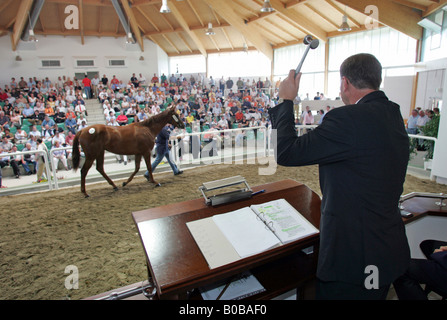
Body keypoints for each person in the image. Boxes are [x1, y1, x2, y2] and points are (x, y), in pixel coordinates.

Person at [269, 53, 410, 300]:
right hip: (385, 249)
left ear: (345, 83)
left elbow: (286, 152)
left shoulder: (348, 119)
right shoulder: (392, 113)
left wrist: (286, 100)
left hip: (352, 258)